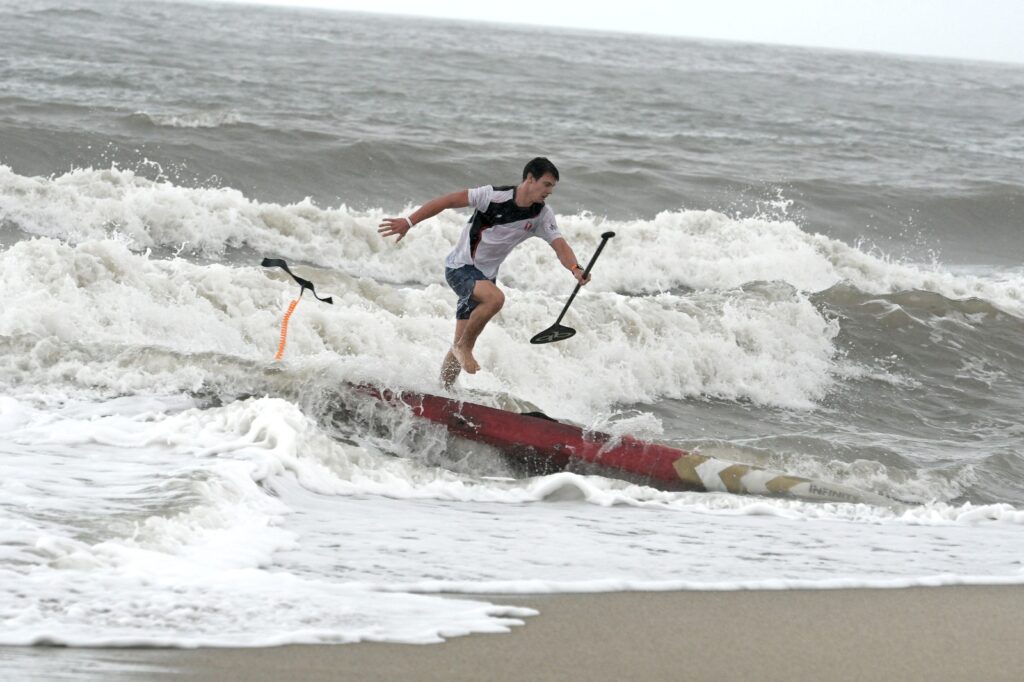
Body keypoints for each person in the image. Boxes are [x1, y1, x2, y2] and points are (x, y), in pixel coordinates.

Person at [378, 157, 591, 388]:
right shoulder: (492, 196)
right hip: (460, 268)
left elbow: (560, 245)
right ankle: (464, 348)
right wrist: (409, 221)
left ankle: (443, 393)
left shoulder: (541, 215)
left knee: (458, 345)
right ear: (530, 178)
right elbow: (447, 200)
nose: (550, 191)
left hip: (484, 278)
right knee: (495, 300)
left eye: (553, 187)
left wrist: (575, 268)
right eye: (547, 184)